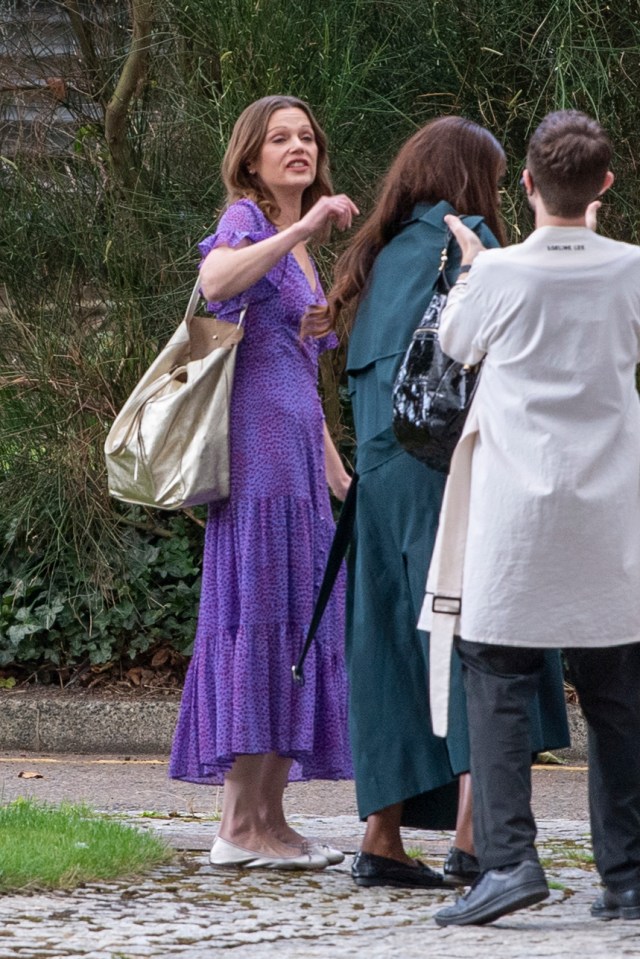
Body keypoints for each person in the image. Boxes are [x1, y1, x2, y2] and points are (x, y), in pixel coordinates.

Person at [312, 116, 570, 889]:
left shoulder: (377, 255)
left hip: (379, 485)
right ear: (473, 177)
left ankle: (381, 838)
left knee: (392, 649)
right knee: (483, 639)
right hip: (450, 474)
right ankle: (474, 839)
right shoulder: (469, 243)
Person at [424, 109, 640, 926]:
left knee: (497, 673)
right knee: (619, 692)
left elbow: (456, 344)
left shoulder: (501, 273)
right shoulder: (633, 269)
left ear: (526, 183)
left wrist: (479, 266)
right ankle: (627, 871)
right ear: (605, 187)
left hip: (519, 515)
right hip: (612, 509)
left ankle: (510, 860)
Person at [169, 95, 358, 870]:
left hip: (298, 464)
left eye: (307, 136)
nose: (297, 147)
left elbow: (298, 374)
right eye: (280, 138)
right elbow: (216, 283)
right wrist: (304, 228)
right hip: (255, 468)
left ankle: (266, 820)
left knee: (295, 627)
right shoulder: (251, 221)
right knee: (260, 621)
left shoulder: (302, 251)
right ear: (251, 157)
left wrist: (339, 471)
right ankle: (236, 826)